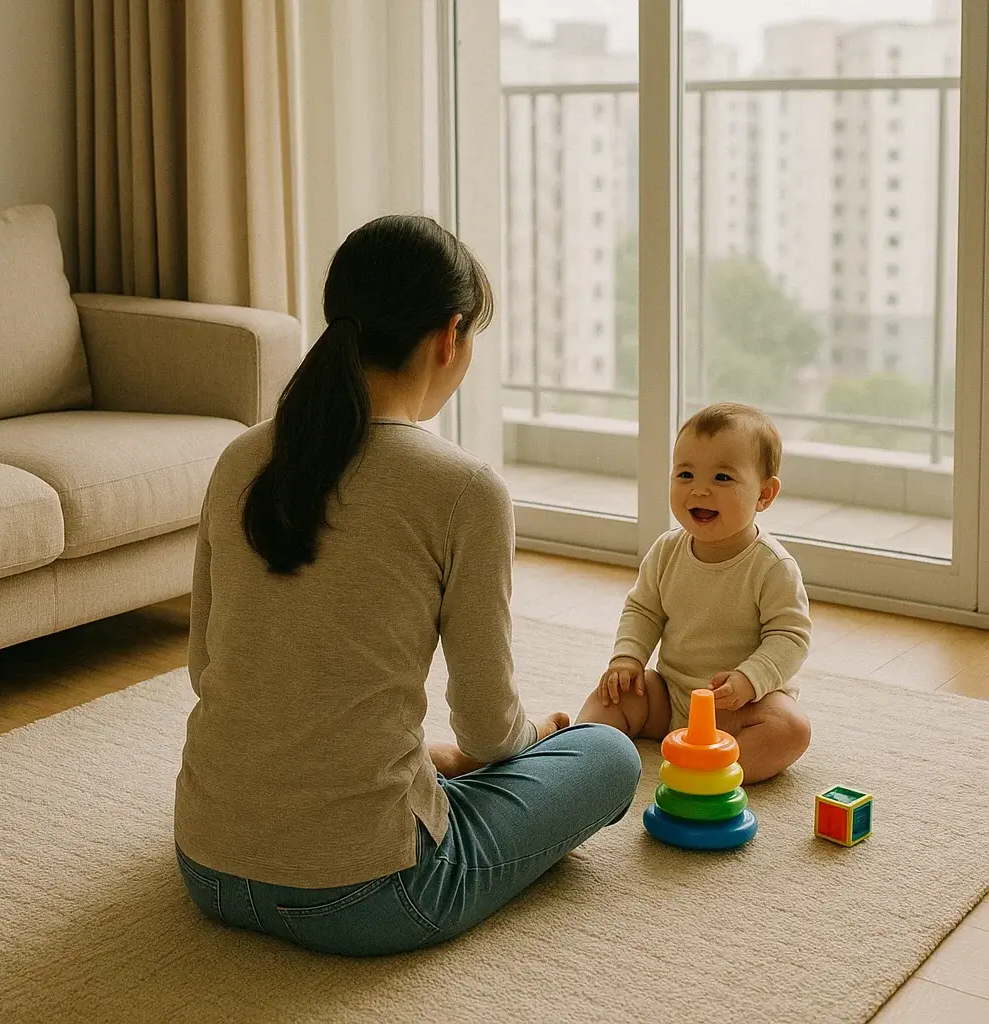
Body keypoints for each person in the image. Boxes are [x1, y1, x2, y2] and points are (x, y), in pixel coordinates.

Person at [173, 214, 642, 957]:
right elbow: (489, 727)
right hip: (371, 894)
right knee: (610, 757)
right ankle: (426, 771)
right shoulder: (464, 489)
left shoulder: (241, 459)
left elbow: (207, 669)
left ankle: (415, 764)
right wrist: (542, 740)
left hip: (206, 865)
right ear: (449, 337)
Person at [575, 402, 812, 784]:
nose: (699, 489)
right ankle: (578, 754)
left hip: (737, 710)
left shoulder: (771, 566)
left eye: (722, 478)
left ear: (764, 495)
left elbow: (790, 637)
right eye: (685, 474)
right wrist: (628, 658)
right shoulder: (667, 551)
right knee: (615, 694)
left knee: (790, 727)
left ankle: (712, 774)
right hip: (670, 697)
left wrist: (749, 680)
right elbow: (643, 610)